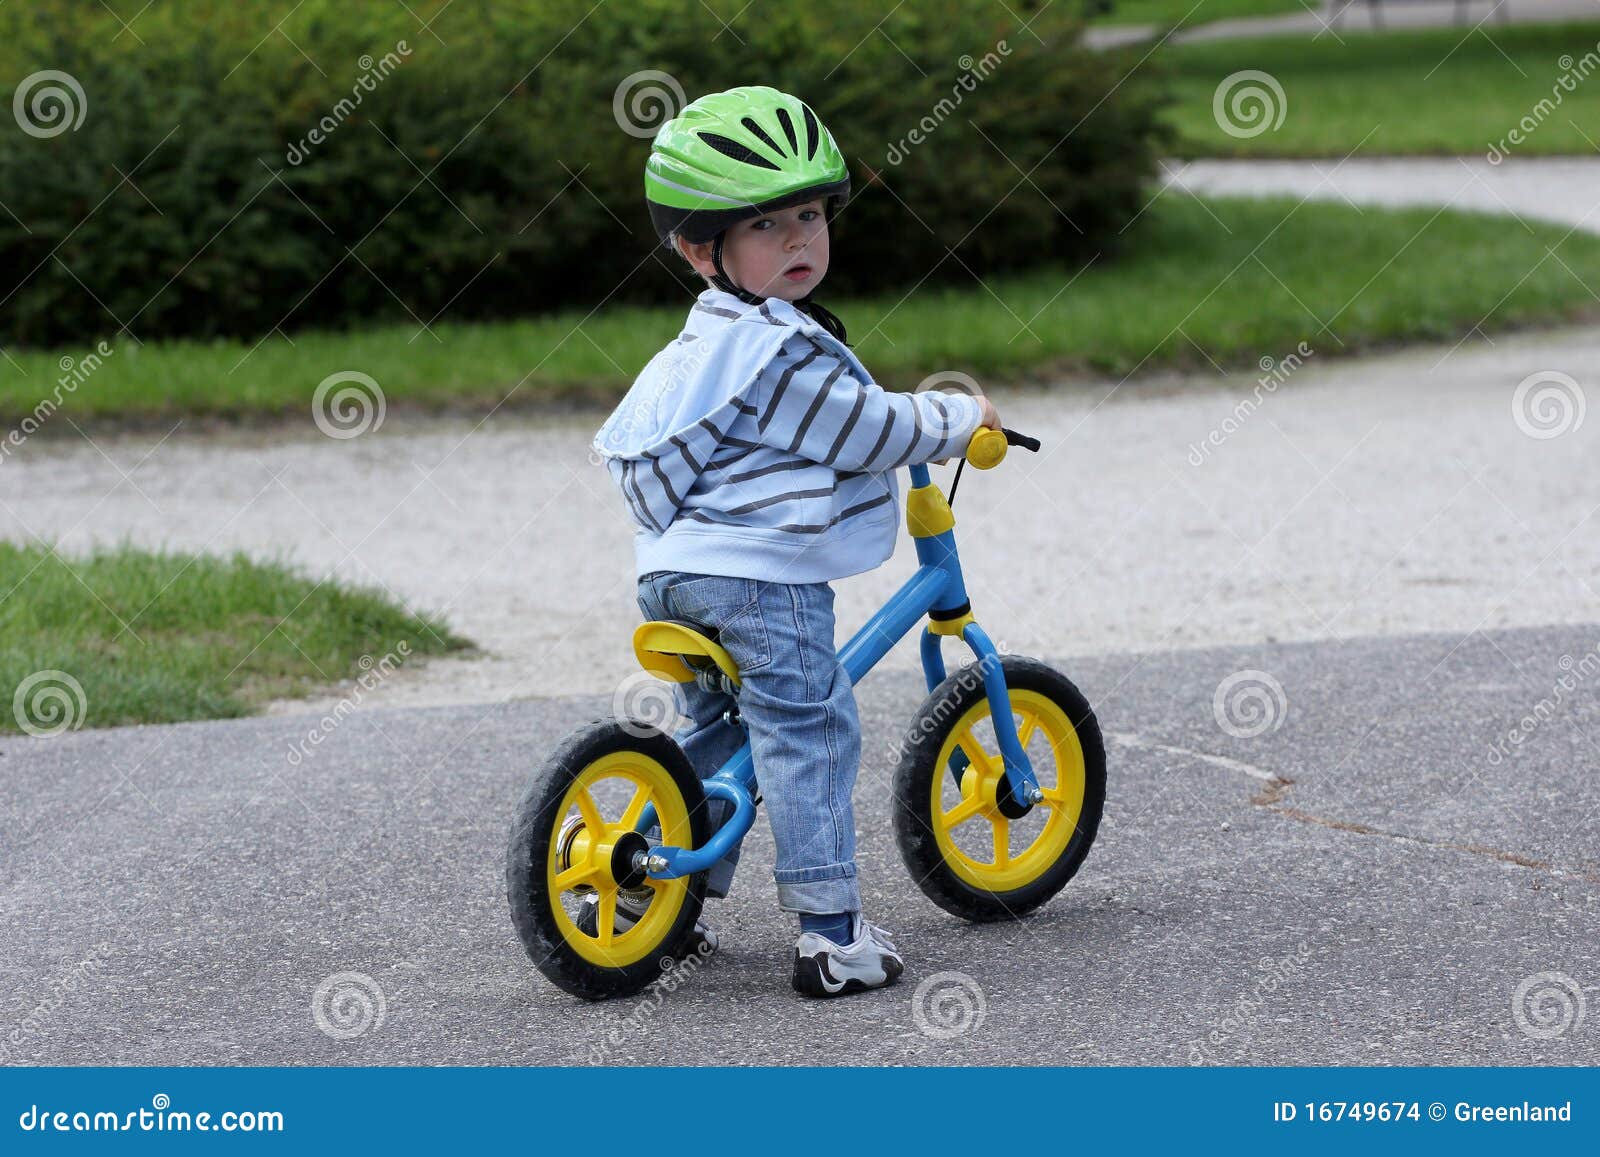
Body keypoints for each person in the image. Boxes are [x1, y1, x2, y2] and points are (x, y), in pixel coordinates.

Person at [591, 85, 1001, 997]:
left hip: (674, 579)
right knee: (809, 724)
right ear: (702, 250)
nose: (801, 242)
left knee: (723, 730)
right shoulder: (775, 354)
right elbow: (867, 430)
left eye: (811, 215)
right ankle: (832, 933)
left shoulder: (709, 341)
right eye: (768, 227)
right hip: (753, 585)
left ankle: (661, 895)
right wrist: (959, 415)